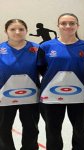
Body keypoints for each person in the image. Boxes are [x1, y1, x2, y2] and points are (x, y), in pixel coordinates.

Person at [37, 13, 84, 150]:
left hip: (80, 96)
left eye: (72, 23)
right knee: (53, 132)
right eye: (64, 23)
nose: (68, 26)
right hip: (51, 97)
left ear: (77, 25)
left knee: (80, 131)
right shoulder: (46, 46)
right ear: (58, 26)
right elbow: (41, 68)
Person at [0, 19, 40, 150]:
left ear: (26, 31)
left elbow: (47, 71)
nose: (17, 32)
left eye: (21, 29)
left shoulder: (37, 49)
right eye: (12, 29)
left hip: (31, 96)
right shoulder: (1, 49)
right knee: (3, 128)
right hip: (3, 97)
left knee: (31, 128)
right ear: (6, 31)